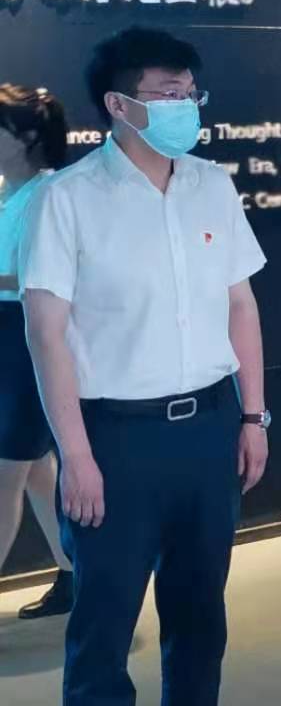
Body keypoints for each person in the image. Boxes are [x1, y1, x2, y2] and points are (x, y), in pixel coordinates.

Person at [20, 27, 270, 704]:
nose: (185, 106)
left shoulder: (211, 185)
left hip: (210, 430)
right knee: (104, 624)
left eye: (191, 94)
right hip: (116, 439)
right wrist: (76, 455)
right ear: (119, 104)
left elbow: (241, 305)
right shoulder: (67, 198)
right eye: (167, 94)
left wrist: (253, 417)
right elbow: (46, 334)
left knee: (200, 617)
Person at [0, 84, 73, 619]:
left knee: (7, 473)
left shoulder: (49, 196)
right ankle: (75, 573)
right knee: (36, 469)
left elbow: (43, 276)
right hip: (6, 341)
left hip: (27, 342)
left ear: (25, 137)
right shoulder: (7, 192)